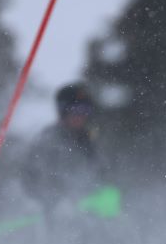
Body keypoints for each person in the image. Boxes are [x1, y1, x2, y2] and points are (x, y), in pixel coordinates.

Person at [20, 82, 105, 220]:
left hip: (91, 219)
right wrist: (58, 202)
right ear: (63, 111)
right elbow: (36, 182)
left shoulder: (90, 140)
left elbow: (101, 174)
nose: (81, 116)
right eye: (75, 110)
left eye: (85, 110)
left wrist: (104, 195)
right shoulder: (48, 142)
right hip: (54, 219)